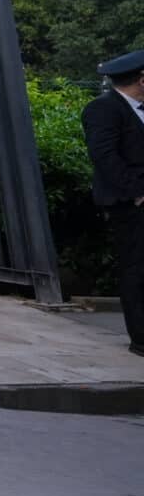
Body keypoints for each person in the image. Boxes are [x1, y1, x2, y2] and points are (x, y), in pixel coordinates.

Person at [82, 49, 144, 357]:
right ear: (142, 79)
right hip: (131, 204)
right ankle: (141, 338)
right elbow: (105, 157)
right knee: (138, 268)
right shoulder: (103, 109)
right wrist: (137, 192)